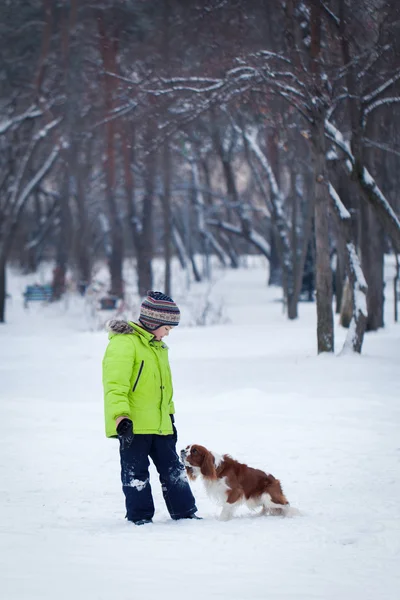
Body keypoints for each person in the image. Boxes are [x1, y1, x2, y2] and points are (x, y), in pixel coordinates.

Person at [102, 290, 199, 526]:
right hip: (132, 425)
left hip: (161, 424)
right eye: (166, 328)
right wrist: (120, 417)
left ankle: (185, 512)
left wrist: (170, 416)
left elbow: (164, 389)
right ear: (154, 322)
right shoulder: (125, 344)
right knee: (136, 473)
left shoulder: (158, 348)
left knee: (174, 470)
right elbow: (115, 385)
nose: (168, 334)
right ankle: (140, 516)